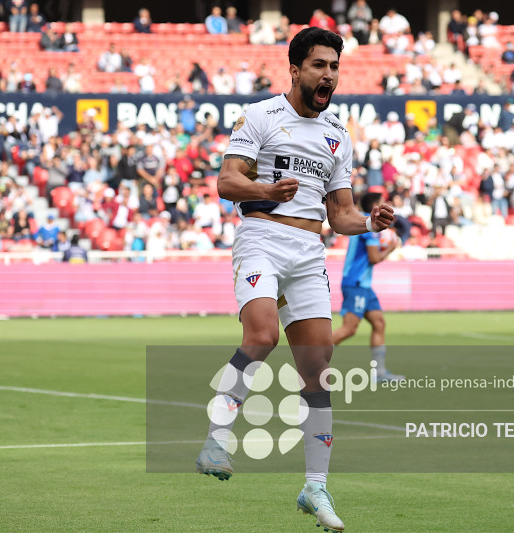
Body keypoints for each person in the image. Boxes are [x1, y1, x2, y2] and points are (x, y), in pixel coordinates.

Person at [195, 27, 393, 533]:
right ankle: (218, 434)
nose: (328, 75)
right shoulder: (260, 116)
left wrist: (371, 221)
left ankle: (315, 487)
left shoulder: (338, 135)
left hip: (309, 249)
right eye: (319, 65)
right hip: (261, 235)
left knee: (317, 365)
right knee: (260, 335)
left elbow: (341, 214)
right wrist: (266, 188)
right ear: (296, 69)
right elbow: (226, 181)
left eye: (334, 67)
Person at [333, 192, 403, 382]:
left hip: (363, 284)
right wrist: (390, 248)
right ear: (375, 205)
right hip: (356, 283)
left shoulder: (362, 223)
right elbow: (374, 258)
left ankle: (379, 373)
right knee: (349, 329)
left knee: (379, 323)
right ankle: (311, 360)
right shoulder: (369, 227)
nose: (385, 204)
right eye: (382, 202)